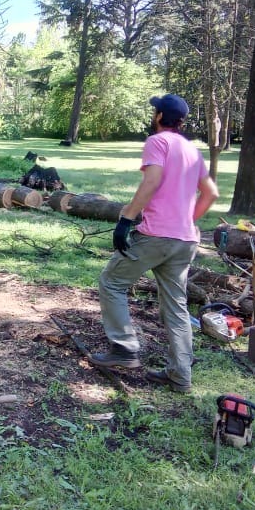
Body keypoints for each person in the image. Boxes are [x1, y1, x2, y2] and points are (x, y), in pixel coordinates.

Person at [91, 93, 219, 393]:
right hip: (185, 241)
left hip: (155, 236)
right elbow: (210, 193)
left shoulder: (157, 142)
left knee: (112, 281)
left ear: (160, 117)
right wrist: (187, 220)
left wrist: (126, 219)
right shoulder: (192, 150)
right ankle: (180, 375)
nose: (154, 115)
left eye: (155, 111)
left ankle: (124, 348)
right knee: (176, 306)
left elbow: (152, 180)